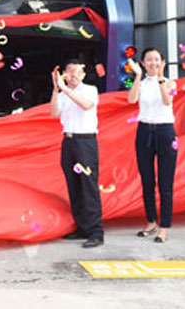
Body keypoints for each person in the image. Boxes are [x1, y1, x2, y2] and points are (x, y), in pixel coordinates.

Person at [49, 59, 104, 248]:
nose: (73, 75)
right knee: (74, 185)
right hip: (69, 141)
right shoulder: (63, 93)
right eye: (69, 71)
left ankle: (96, 232)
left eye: (77, 72)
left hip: (85, 142)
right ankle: (82, 227)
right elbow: (54, 112)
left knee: (88, 185)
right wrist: (56, 89)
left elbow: (87, 105)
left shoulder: (90, 90)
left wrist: (65, 89)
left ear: (83, 74)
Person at [127, 48, 178, 243]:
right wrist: (138, 76)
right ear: (142, 62)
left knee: (166, 182)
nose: (153, 63)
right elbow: (131, 100)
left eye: (157, 60)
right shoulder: (140, 82)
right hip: (144, 131)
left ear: (162, 62)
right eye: (149, 60)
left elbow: (167, 101)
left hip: (165, 132)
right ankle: (150, 221)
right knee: (147, 180)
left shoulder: (170, 82)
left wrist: (161, 79)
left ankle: (164, 226)